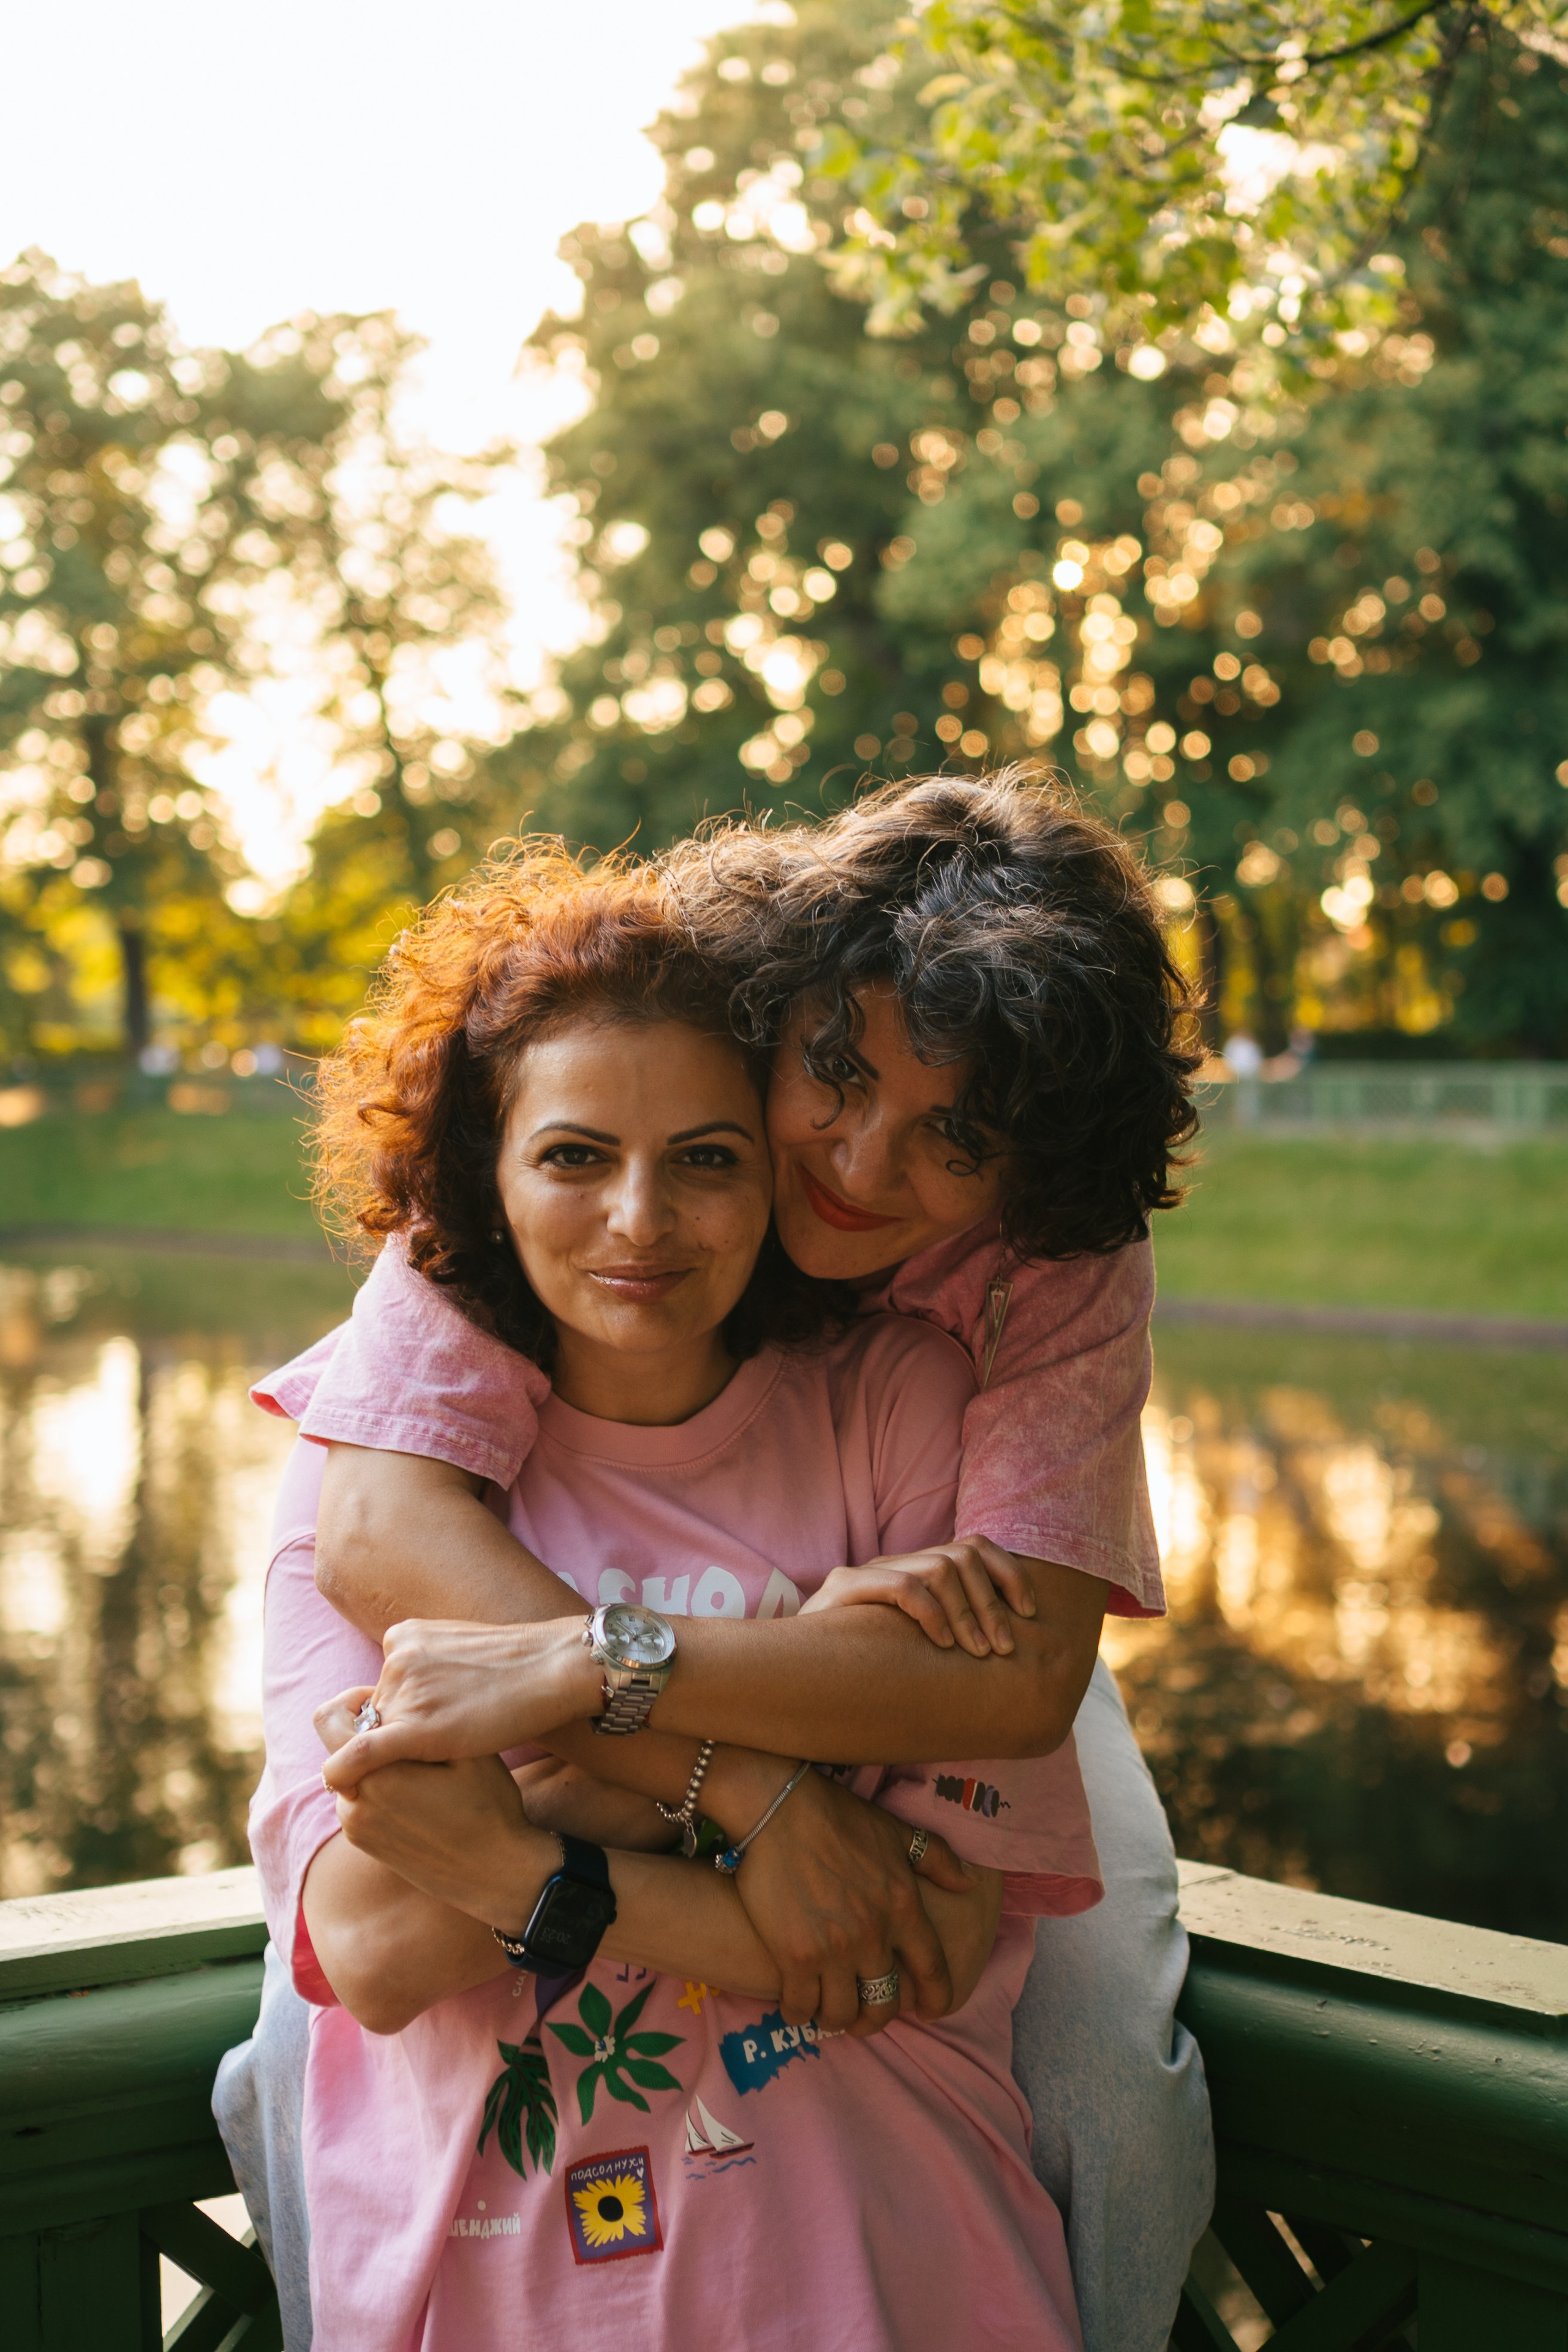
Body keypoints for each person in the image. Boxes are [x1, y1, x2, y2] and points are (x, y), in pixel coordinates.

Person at [221, 773, 1215, 2350]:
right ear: (784, 1003)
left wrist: (580, 1685)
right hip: (595, 1599)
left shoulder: (1064, 1246)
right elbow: (382, 1532)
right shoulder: (623, 1025)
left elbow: (1019, 1675)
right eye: (831, 1075)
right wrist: (745, 1791)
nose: (863, 1163)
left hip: (938, 1610)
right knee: (293, 2035)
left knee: (1100, 2048)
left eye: (951, 1137)